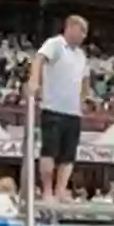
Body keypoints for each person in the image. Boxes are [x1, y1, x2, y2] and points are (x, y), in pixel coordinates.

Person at [29, 15, 90, 202]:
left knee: (68, 156)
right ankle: (47, 190)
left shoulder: (81, 55)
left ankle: (60, 190)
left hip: (73, 112)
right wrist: (34, 79)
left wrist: (83, 98)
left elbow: (86, 78)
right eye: (82, 31)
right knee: (49, 152)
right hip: (53, 108)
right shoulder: (55, 44)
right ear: (71, 28)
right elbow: (38, 58)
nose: (83, 36)